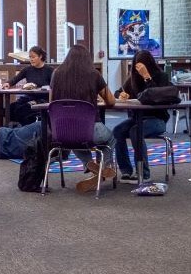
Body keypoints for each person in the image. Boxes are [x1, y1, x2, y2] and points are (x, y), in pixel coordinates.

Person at [48, 45, 117, 191]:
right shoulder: (94, 74)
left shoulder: (56, 73)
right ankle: (105, 168)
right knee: (110, 138)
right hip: (90, 129)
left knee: (74, 138)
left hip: (62, 131)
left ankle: (90, 164)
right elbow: (111, 101)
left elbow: (51, 102)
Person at [111, 50, 173, 183]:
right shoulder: (133, 79)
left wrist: (147, 77)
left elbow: (156, 95)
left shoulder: (161, 77)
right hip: (136, 118)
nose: (139, 70)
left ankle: (144, 173)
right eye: (137, 67)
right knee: (117, 131)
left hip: (157, 119)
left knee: (135, 131)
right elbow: (117, 92)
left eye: (142, 67)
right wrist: (120, 95)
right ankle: (126, 171)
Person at [2, 47, 51, 125]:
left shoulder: (49, 70)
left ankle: (28, 128)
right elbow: (15, 79)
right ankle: (13, 129)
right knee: (9, 109)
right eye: (30, 57)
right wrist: (8, 83)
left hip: (42, 99)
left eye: (33, 57)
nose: (31, 59)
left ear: (40, 56)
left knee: (23, 109)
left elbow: (54, 87)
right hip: (28, 98)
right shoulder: (27, 69)